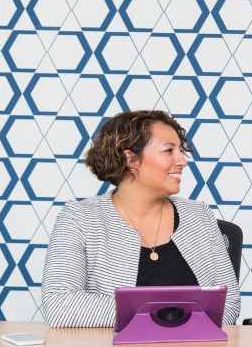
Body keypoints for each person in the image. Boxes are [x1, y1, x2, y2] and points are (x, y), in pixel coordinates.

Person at [42, 110, 240, 327]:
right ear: (131, 159)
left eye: (180, 151)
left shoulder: (200, 216)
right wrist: (167, 314)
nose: (182, 161)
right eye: (168, 151)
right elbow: (58, 305)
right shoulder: (80, 219)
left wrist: (145, 313)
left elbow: (228, 303)